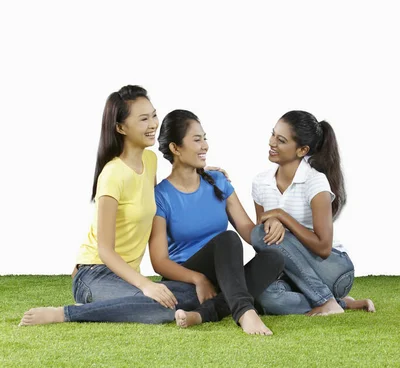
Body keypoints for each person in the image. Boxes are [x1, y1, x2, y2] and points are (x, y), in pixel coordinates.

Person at [19, 87, 217, 326]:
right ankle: (65, 313)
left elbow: (171, 188)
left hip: (125, 278)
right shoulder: (112, 174)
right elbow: (105, 250)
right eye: (143, 119)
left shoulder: (150, 160)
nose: (153, 124)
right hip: (94, 274)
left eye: (153, 115)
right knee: (162, 308)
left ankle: (112, 305)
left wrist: (204, 174)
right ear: (121, 128)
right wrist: (145, 285)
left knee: (189, 294)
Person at [149, 110, 284, 335]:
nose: (205, 146)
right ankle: (244, 312)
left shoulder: (218, 182)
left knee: (274, 258)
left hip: (223, 274)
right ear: (175, 148)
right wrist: (198, 278)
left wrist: (273, 222)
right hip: (184, 273)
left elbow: (248, 231)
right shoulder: (161, 196)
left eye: (205, 138)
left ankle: (204, 314)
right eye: (197, 139)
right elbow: (159, 261)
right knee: (227, 239)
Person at [250, 110, 375, 316]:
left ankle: (325, 299)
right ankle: (339, 304)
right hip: (294, 275)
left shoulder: (315, 181)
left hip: (332, 269)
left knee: (258, 232)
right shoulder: (260, 182)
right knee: (266, 298)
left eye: (281, 140)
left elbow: (324, 247)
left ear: (302, 150)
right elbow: (266, 243)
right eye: (273, 135)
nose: (271, 143)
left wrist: (283, 216)